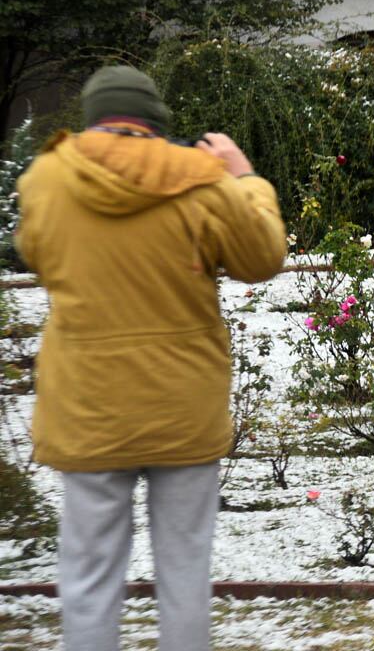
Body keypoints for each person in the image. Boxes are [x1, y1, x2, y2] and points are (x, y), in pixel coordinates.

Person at [15, 65, 287, 651]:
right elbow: (262, 258)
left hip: (87, 410)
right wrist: (246, 179)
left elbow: (34, 252)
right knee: (185, 572)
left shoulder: (45, 180)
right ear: (155, 122)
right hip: (181, 408)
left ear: (92, 117)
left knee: (87, 576)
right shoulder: (203, 180)